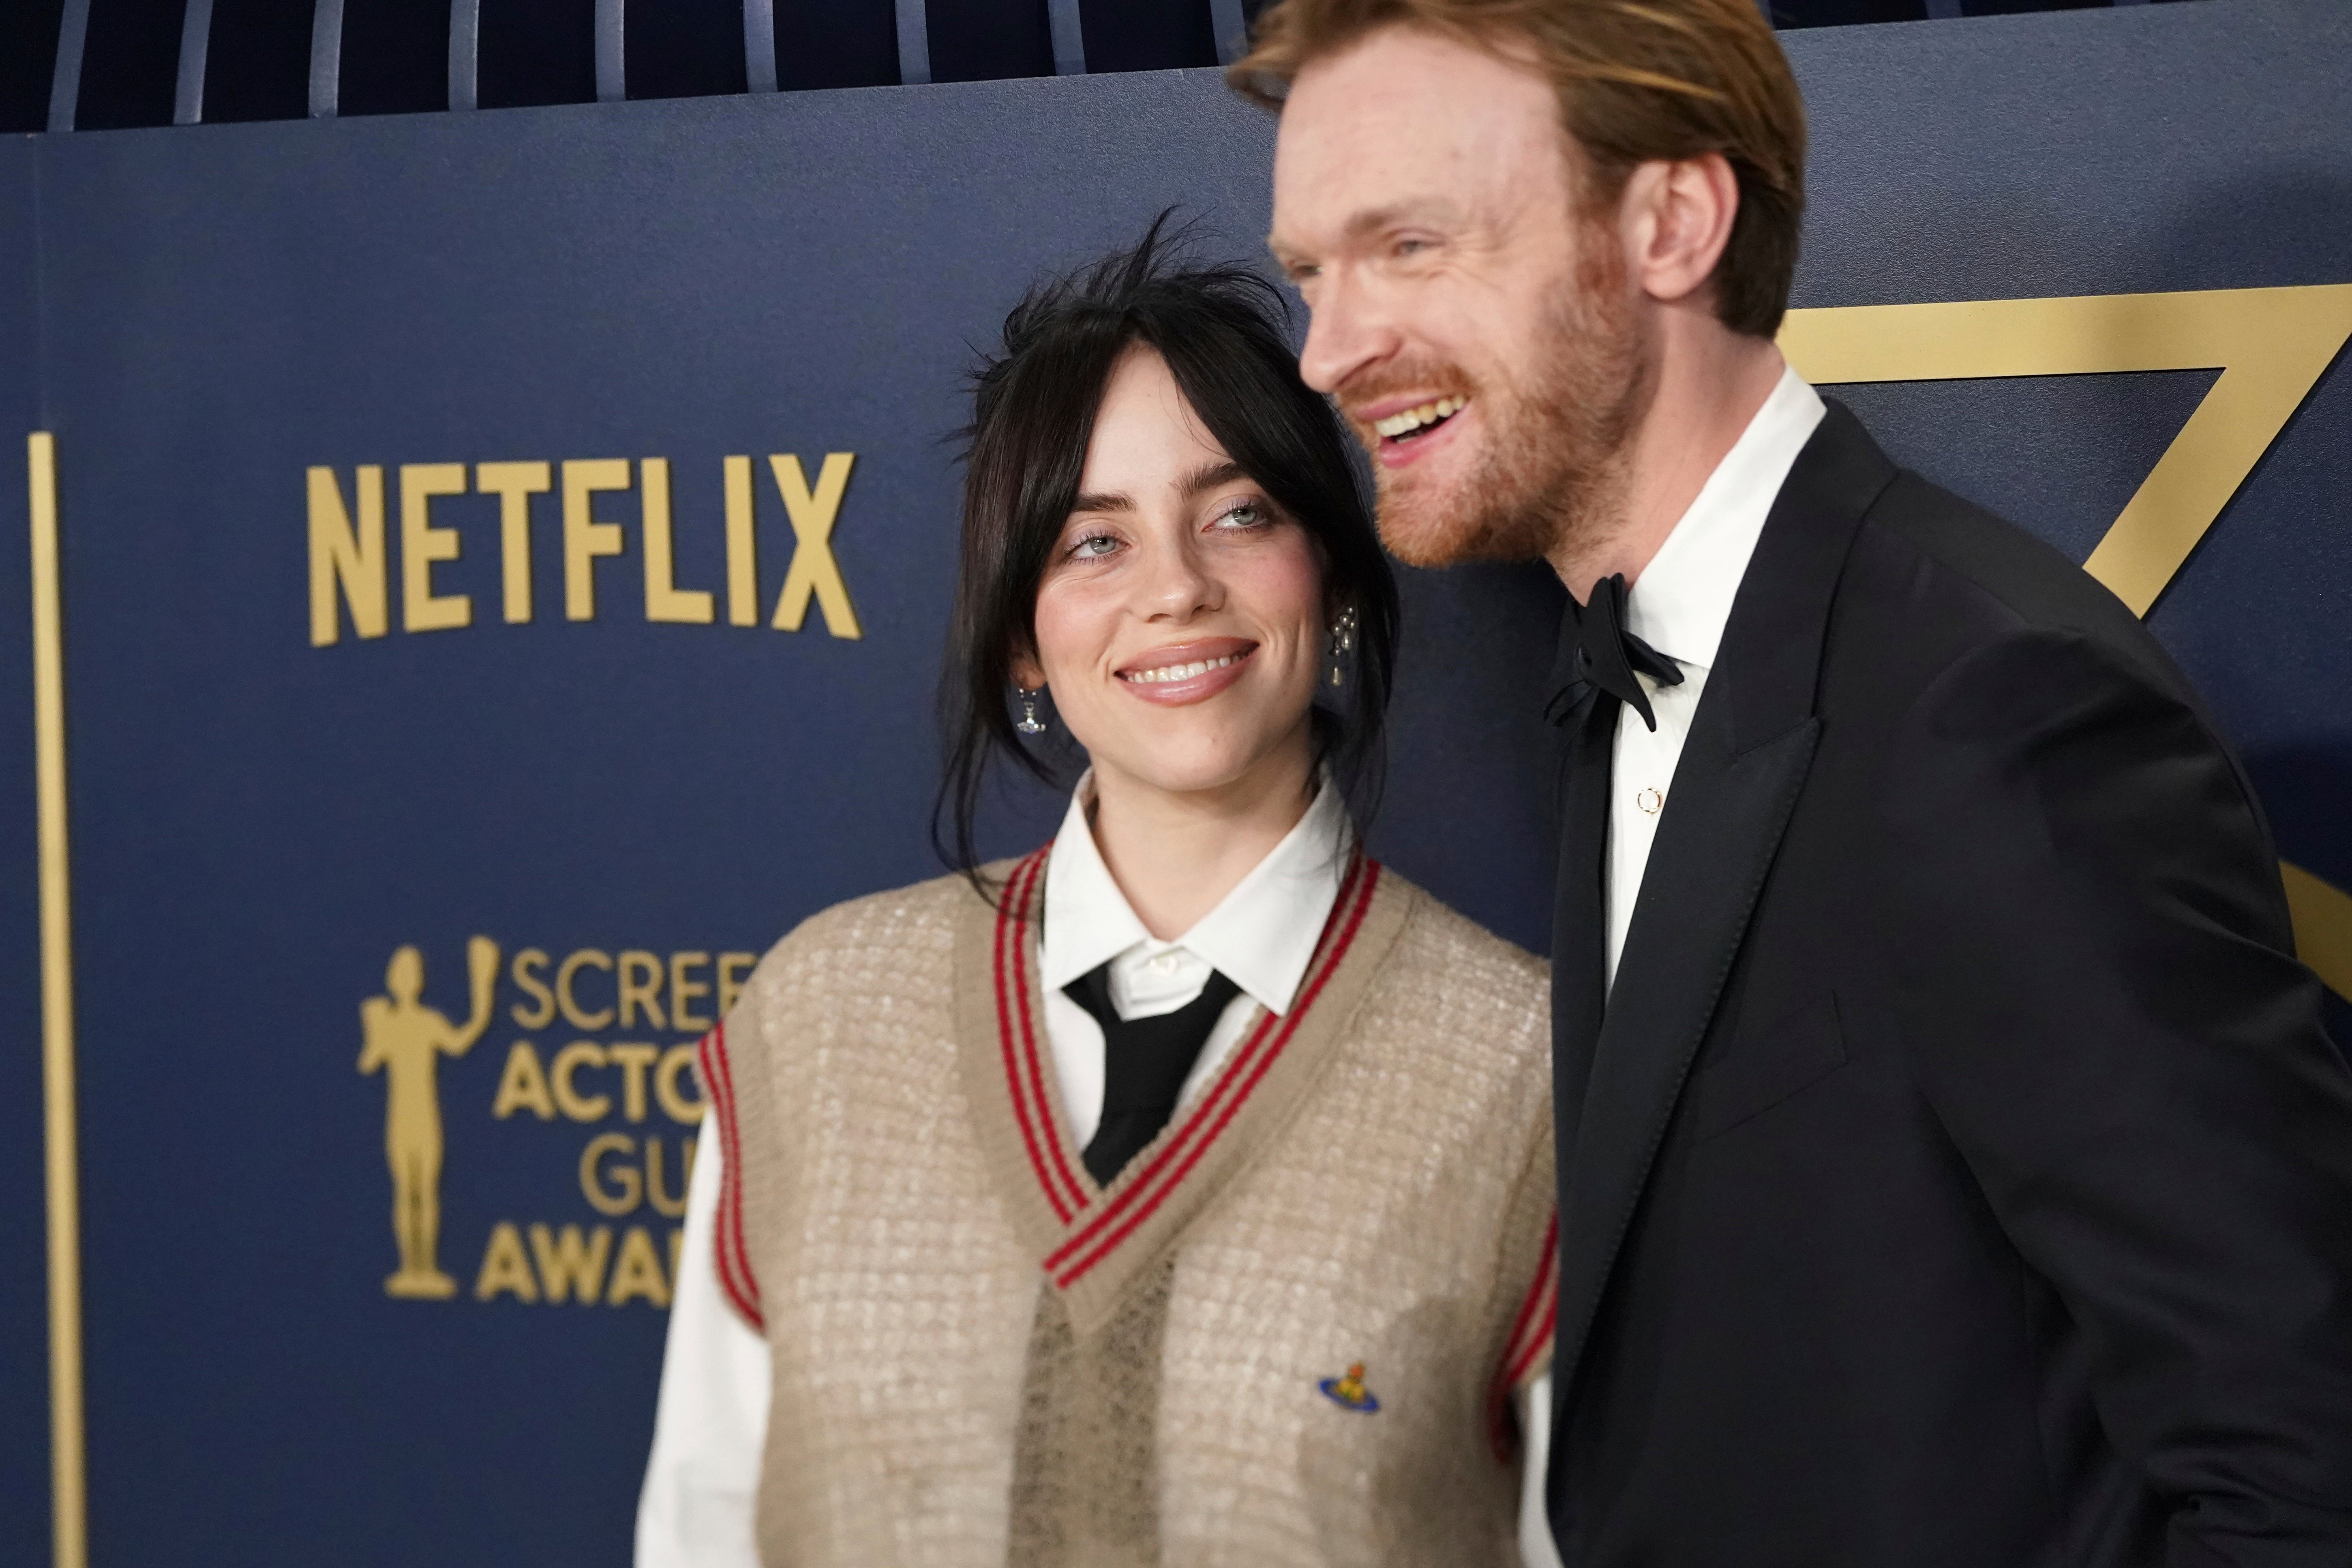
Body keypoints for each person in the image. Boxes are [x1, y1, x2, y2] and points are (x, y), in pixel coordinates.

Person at [1237, 1, 2352, 1564]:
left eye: (1409, 245)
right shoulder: (1640, 662)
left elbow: (2303, 1469)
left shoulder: (1992, 710)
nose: (1329, 351)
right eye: (1312, 273)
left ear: (1672, 222)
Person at [635, 231, 1561, 1567]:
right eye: (1093, 541)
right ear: (1022, 636)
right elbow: (700, 1532)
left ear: (1336, 577)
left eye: (1239, 513)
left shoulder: (1525, 1071)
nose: (1174, 587)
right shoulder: (816, 1020)